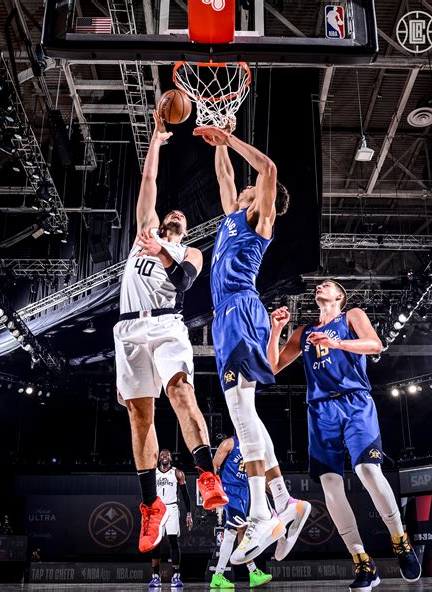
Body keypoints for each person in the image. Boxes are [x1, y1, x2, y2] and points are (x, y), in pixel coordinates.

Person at [193, 125, 310, 565]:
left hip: (241, 308)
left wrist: (232, 139)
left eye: (252, 188)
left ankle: (261, 513)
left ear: (263, 200)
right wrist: (218, 146)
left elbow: (268, 168)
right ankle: (285, 501)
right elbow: (225, 177)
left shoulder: (260, 220)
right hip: (228, 316)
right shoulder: (231, 216)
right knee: (247, 413)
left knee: (241, 416)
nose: (244, 187)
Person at [114, 111, 228, 555]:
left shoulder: (191, 251)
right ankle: (150, 508)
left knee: (181, 393)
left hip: (166, 323)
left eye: (180, 216)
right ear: (163, 220)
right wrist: (156, 143)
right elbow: (148, 183)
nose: (175, 213)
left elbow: (182, 283)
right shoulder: (145, 232)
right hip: (127, 327)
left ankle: (206, 476)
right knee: (139, 415)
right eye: (171, 213)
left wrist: (163, 249)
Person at [267, 280, 422, 591]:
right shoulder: (304, 332)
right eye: (320, 284)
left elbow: (376, 344)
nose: (321, 284)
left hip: (354, 403)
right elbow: (271, 368)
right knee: (330, 485)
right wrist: (275, 330)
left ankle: (400, 541)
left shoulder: (351, 315)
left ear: (338, 296)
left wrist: (338, 344)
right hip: (320, 411)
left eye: (329, 284)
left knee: (367, 469)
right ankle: (362, 561)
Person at [211, 435, 273, 589]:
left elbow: (259, 476)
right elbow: (214, 465)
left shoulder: (254, 446)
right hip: (229, 490)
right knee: (242, 528)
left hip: (244, 492)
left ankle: (219, 576)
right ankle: (252, 571)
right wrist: (212, 493)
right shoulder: (230, 443)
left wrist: (278, 495)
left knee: (233, 532)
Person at [149, 449, 193, 589]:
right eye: (162, 455)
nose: (164, 457)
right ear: (159, 458)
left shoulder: (177, 473)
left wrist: (189, 514)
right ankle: (155, 576)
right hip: (157, 509)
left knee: (173, 541)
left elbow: (185, 495)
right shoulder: (153, 474)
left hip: (172, 508)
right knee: (156, 543)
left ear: (171, 458)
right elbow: (148, 495)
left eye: (167, 455)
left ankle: (176, 575)